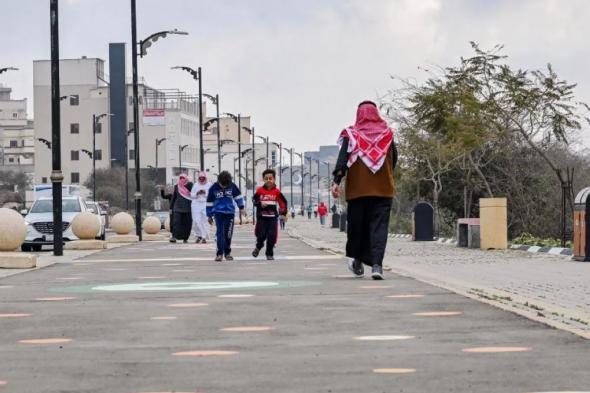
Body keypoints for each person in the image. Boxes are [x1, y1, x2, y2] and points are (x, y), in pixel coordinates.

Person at [332, 100, 397, 280]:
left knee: (357, 227)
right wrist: (385, 178)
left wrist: (336, 181)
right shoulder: (387, 134)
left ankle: (358, 261)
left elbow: (343, 159)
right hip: (383, 190)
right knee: (379, 228)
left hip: (357, 192)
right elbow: (394, 159)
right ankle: (377, 266)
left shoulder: (351, 135)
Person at [206, 171, 245, 261]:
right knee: (220, 233)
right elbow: (209, 203)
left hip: (230, 213)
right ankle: (219, 253)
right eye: (222, 185)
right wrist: (209, 215)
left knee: (228, 233)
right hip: (218, 212)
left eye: (226, 185)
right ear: (218, 181)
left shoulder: (232, 186)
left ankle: (227, 253)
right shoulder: (213, 188)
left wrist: (241, 207)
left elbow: (238, 197)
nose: (224, 187)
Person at [252, 169, 288, 260]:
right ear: (263, 180)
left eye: (270, 178)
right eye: (266, 178)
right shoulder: (259, 190)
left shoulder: (277, 192)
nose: (268, 180)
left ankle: (269, 254)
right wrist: (260, 203)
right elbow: (254, 200)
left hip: (272, 218)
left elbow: (283, 203)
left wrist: (283, 213)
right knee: (261, 235)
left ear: (274, 179)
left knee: (272, 237)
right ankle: (258, 247)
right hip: (261, 218)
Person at [169, 173, 194, 244]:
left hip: (188, 208)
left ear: (186, 178)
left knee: (187, 224)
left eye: (183, 178)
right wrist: (171, 208)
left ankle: (185, 238)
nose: (182, 179)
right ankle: (174, 237)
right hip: (177, 208)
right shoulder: (176, 186)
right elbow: (174, 197)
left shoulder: (190, 185)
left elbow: (194, 194)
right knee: (176, 223)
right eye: (181, 178)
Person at [191, 171, 212, 243]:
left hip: (205, 204)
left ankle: (204, 237)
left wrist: (205, 193)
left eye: (203, 178)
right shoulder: (195, 185)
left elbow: (212, 195)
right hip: (196, 204)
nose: (202, 179)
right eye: (200, 178)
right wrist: (197, 193)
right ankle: (198, 235)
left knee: (205, 221)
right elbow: (191, 195)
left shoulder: (209, 184)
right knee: (196, 221)